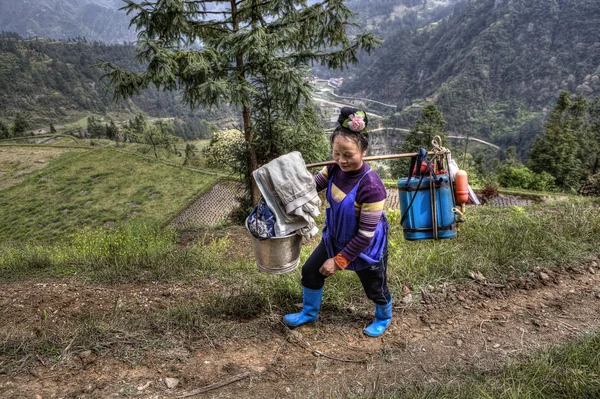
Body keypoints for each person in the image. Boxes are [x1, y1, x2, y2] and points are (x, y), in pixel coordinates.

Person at [283, 107, 392, 337]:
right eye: (336, 153)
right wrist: (287, 196)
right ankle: (309, 313)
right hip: (335, 237)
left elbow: (365, 236)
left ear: (363, 150)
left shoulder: (371, 186)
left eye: (348, 154)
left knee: (375, 287)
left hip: (366, 247)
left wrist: (339, 260)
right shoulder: (333, 170)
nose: (341, 160)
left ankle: (383, 316)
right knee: (310, 271)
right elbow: (312, 187)